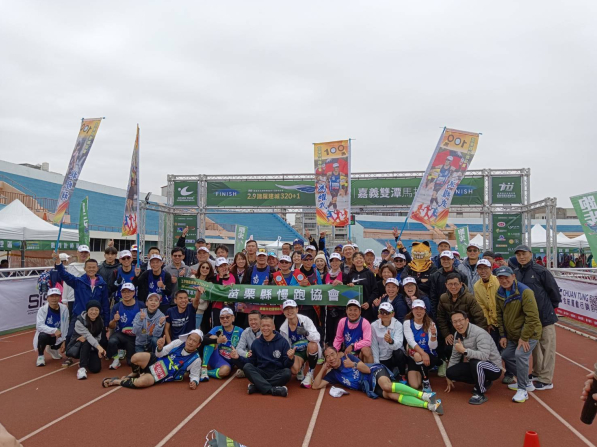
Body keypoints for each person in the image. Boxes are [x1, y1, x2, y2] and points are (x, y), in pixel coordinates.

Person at [312, 346, 443, 415]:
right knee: (391, 395)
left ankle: (425, 395)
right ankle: (429, 405)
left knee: (386, 386)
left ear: (337, 353)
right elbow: (316, 386)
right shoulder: (333, 375)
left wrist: (353, 365)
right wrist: (323, 368)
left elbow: (366, 369)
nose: (331, 358)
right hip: (369, 387)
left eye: (332, 354)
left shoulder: (348, 358)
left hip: (374, 371)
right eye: (327, 357)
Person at [514, 244, 561, 391]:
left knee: (547, 348)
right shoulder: (516, 272)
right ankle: (536, 372)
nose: (521, 257)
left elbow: (554, 292)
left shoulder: (541, 271)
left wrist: (548, 309)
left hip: (545, 316)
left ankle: (546, 379)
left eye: (524, 254)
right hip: (529, 318)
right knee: (534, 347)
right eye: (518, 254)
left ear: (531, 254)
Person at [52, 252, 110, 367]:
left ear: (97, 268)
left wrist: (106, 322)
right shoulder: (78, 282)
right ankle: (69, 356)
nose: (91, 269)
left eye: (94, 267)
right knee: (70, 336)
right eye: (89, 267)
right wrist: (58, 261)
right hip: (79, 316)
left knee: (102, 338)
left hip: (96, 317)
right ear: (85, 268)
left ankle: (96, 353)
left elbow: (105, 304)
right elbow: (64, 275)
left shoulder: (102, 284)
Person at [495, 266, 542, 403]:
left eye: (506, 277)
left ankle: (522, 390)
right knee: (506, 355)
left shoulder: (525, 292)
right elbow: (499, 315)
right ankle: (526, 381)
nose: (504, 280)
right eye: (501, 278)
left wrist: (524, 337)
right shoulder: (499, 292)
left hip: (530, 333)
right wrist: (503, 335)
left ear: (513, 276)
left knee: (520, 355)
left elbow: (532, 317)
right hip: (512, 334)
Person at [102, 330, 203, 390]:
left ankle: (116, 381)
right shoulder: (178, 342)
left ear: (198, 345)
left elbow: (194, 375)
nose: (190, 342)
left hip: (160, 375)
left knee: (140, 383)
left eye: (194, 341)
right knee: (135, 358)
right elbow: (159, 354)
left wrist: (194, 382)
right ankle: (134, 373)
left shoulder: (196, 359)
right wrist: (160, 348)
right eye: (190, 339)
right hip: (155, 361)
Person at [445, 310, 503, 405]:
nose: (458, 324)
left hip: (493, 368)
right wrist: (448, 377)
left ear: (467, 320)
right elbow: (455, 356)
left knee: (476, 363)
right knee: (450, 372)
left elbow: (484, 356)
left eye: (460, 320)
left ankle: (480, 393)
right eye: (455, 322)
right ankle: (484, 382)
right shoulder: (457, 334)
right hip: (475, 364)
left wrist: (464, 351)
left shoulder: (480, 333)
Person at [229, 314, 292, 397]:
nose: (265, 328)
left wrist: (290, 358)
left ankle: (258, 386)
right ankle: (272, 390)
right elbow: (251, 362)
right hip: (261, 373)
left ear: (273, 327)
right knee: (247, 367)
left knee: (287, 372)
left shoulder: (283, 342)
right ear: (260, 327)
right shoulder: (256, 343)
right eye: (263, 326)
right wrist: (237, 358)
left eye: (268, 326)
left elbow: (286, 365)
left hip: (276, 373)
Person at [436, 273, 486, 374]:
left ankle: (477, 371)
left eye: (456, 284)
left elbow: (479, 317)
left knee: (472, 353)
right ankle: (455, 370)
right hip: (453, 330)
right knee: (448, 348)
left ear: (461, 284)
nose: (453, 287)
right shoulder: (443, 298)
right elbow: (440, 317)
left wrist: (479, 336)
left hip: (470, 330)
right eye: (450, 284)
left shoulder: (469, 298)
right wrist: (446, 334)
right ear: (446, 285)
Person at [279, 300, 320, 388]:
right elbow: (285, 346)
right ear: (283, 312)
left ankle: (310, 373)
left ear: (297, 309)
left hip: (309, 349)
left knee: (313, 345)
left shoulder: (306, 320)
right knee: (294, 370)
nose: (289, 311)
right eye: (286, 309)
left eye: (292, 308)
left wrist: (306, 333)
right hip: (297, 352)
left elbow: (317, 337)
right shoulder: (283, 328)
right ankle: (300, 366)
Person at [403, 299, 441, 393]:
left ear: (424, 310)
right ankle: (420, 371)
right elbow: (410, 341)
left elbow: (433, 346)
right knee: (415, 385)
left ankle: (426, 381)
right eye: (416, 309)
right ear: (412, 310)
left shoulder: (431, 324)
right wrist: (423, 354)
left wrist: (433, 335)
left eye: (421, 309)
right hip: (416, 356)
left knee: (417, 355)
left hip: (429, 356)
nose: (418, 311)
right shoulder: (407, 323)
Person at [106, 283, 145, 369]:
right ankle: (116, 360)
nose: (126, 294)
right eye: (124, 292)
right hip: (122, 334)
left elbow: (148, 323)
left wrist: (143, 320)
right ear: (121, 293)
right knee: (112, 341)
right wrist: (114, 320)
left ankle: (129, 354)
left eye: (129, 292)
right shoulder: (117, 307)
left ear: (134, 292)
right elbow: (111, 326)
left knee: (131, 363)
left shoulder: (141, 305)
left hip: (136, 336)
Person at [65, 300, 107, 380]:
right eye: (91, 310)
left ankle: (87, 359)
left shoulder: (100, 321)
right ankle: (82, 368)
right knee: (86, 340)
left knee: (96, 369)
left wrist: (97, 348)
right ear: (87, 310)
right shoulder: (79, 321)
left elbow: (98, 338)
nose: (93, 312)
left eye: (96, 310)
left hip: (92, 346)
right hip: (77, 346)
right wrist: (99, 348)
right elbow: (88, 336)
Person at [200, 307, 243, 381]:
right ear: (220, 320)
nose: (225, 319)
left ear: (233, 318)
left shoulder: (240, 331)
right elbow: (202, 339)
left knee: (225, 371)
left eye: (227, 317)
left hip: (230, 361)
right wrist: (217, 340)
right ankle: (204, 368)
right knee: (212, 337)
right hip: (217, 357)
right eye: (222, 318)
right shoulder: (217, 329)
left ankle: (205, 372)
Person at [34, 288, 69, 366]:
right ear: (47, 298)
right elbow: (39, 326)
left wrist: (65, 340)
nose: (54, 298)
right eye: (51, 296)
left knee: (70, 345)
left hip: (59, 335)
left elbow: (66, 325)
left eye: (56, 296)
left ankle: (53, 349)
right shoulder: (42, 310)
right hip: (48, 335)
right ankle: (40, 356)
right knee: (42, 335)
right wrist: (54, 330)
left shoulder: (64, 309)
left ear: (59, 298)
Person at [371, 302, 407, 380]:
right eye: (382, 312)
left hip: (394, 356)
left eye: (387, 312)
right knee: (386, 377)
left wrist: (391, 341)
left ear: (393, 314)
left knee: (399, 353)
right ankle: (393, 371)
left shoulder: (398, 325)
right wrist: (377, 364)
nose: (384, 314)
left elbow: (398, 344)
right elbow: (374, 345)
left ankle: (402, 374)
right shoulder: (373, 325)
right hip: (382, 357)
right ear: (379, 314)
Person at [428, 250, 469, 315]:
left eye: (448, 259)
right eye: (443, 259)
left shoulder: (461, 275)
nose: (446, 261)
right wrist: (435, 314)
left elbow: (465, 295)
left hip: (458, 310)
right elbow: (433, 297)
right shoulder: (435, 276)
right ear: (440, 260)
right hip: (441, 310)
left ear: (453, 260)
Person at [473, 259, 501, 349]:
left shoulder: (498, 281)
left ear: (491, 269)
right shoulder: (477, 286)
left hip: (503, 321)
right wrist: (488, 323)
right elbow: (482, 306)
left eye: (485, 268)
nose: (483, 271)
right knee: (493, 348)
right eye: (480, 268)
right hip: (492, 323)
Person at [344, 252, 378, 322]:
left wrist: (368, 302)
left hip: (366, 308)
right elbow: (345, 291)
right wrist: (349, 286)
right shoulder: (350, 274)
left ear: (364, 260)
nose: (358, 260)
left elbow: (375, 291)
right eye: (356, 258)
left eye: (360, 258)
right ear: (353, 261)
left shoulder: (370, 274)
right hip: (353, 309)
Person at [235, 310, 262, 378]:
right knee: (235, 357)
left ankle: (248, 372)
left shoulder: (265, 330)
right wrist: (247, 354)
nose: (253, 322)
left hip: (263, 358)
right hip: (251, 358)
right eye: (250, 320)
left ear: (260, 320)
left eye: (255, 319)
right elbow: (238, 349)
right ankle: (250, 371)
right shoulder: (246, 332)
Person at [192, 260, 216, 330]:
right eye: (203, 267)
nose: (204, 269)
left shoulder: (210, 284)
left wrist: (196, 298)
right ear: (199, 268)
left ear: (210, 270)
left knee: (195, 330)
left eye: (207, 268)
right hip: (188, 309)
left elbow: (204, 299)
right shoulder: (192, 278)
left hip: (200, 311)